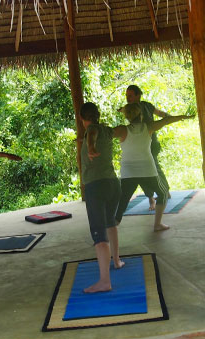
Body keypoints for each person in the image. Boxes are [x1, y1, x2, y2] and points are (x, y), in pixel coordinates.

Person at [115, 103, 191, 231]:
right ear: (141, 115)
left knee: (122, 203)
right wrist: (182, 116)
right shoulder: (148, 127)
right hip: (147, 170)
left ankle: (109, 231)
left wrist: (87, 139)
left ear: (127, 117)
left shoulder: (122, 130)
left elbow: (104, 134)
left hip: (129, 172)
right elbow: (166, 120)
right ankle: (157, 224)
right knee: (162, 194)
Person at [79, 102, 126, 293]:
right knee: (110, 224)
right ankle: (116, 260)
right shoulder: (107, 130)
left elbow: (91, 134)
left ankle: (105, 281)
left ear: (83, 119)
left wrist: (89, 146)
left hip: (96, 186)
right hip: (112, 184)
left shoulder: (91, 130)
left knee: (99, 235)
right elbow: (121, 130)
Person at [123, 85, 171, 211]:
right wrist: (168, 117)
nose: (128, 98)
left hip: (149, 143)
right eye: (127, 96)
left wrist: (169, 118)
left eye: (130, 96)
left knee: (153, 169)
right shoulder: (143, 106)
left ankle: (160, 194)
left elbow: (160, 113)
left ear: (138, 95)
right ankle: (162, 192)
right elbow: (160, 113)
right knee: (154, 168)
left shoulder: (143, 107)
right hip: (145, 143)